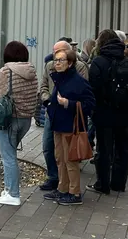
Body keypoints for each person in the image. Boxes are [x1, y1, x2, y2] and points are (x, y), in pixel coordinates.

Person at [0, 41, 38, 207]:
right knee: (11, 155)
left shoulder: (6, 72)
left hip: (9, 120)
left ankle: (13, 194)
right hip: (26, 120)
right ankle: (8, 189)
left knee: (8, 158)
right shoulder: (32, 72)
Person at [87, 30, 128, 195]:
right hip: (124, 112)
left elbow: (93, 89)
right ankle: (119, 183)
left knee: (104, 149)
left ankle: (102, 184)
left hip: (103, 112)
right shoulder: (127, 60)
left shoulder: (98, 62)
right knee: (122, 149)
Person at [43, 48, 95, 206]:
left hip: (71, 126)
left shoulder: (78, 82)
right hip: (58, 124)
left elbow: (90, 104)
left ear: (70, 63)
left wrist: (68, 104)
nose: (56, 63)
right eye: (55, 60)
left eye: (60, 60)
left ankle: (74, 192)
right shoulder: (60, 78)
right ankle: (62, 188)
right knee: (60, 159)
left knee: (70, 160)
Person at [36, 40, 89, 193]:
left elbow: (85, 95)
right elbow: (44, 85)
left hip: (69, 117)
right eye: (55, 55)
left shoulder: (79, 69)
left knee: (69, 156)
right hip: (52, 114)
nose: (56, 59)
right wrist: (47, 100)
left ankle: (71, 190)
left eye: (60, 56)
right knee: (51, 149)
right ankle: (57, 181)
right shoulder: (50, 67)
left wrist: (68, 103)